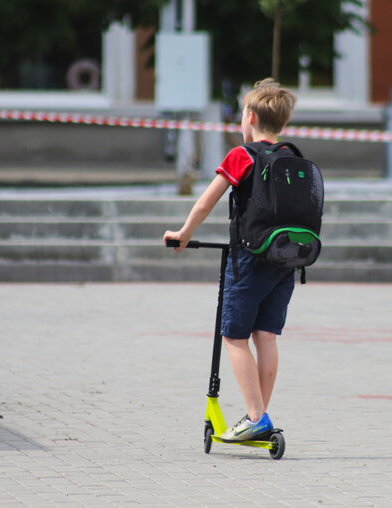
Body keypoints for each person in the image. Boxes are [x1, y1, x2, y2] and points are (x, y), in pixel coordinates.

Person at [163, 78, 298, 442]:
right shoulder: (290, 157)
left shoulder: (242, 155)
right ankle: (259, 417)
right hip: (285, 259)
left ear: (250, 117)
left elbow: (206, 200)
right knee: (266, 337)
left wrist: (184, 232)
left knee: (234, 337)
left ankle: (256, 417)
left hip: (250, 259)